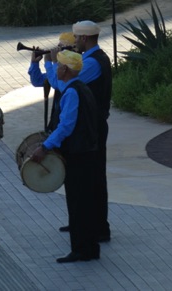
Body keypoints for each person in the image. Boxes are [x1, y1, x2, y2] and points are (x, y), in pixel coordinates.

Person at [45, 20, 112, 242]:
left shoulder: (92, 63)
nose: (74, 43)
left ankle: (97, 227)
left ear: (83, 38)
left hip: (91, 129)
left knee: (91, 179)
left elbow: (63, 83)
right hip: (89, 128)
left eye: (76, 39)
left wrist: (54, 64)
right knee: (88, 180)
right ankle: (84, 223)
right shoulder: (92, 59)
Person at [31, 50, 101, 263]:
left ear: (66, 70)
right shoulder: (80, 87)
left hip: (78, 154)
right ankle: (90, 247)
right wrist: (44, 64)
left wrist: (45, 146)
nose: (57, 68)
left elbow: (66, 126)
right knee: (86, 202)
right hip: (87, 152)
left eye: (59, 65)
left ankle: (81, 249)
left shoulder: (71, 93)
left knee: (77, 203)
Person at [28, 32, 75, 132]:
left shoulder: (74, 68)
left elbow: (56, 84)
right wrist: (35, 62)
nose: (58, 50)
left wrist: (52, 62)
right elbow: (38, 81)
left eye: (61, 47)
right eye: (58, 46)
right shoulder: (57, 68)